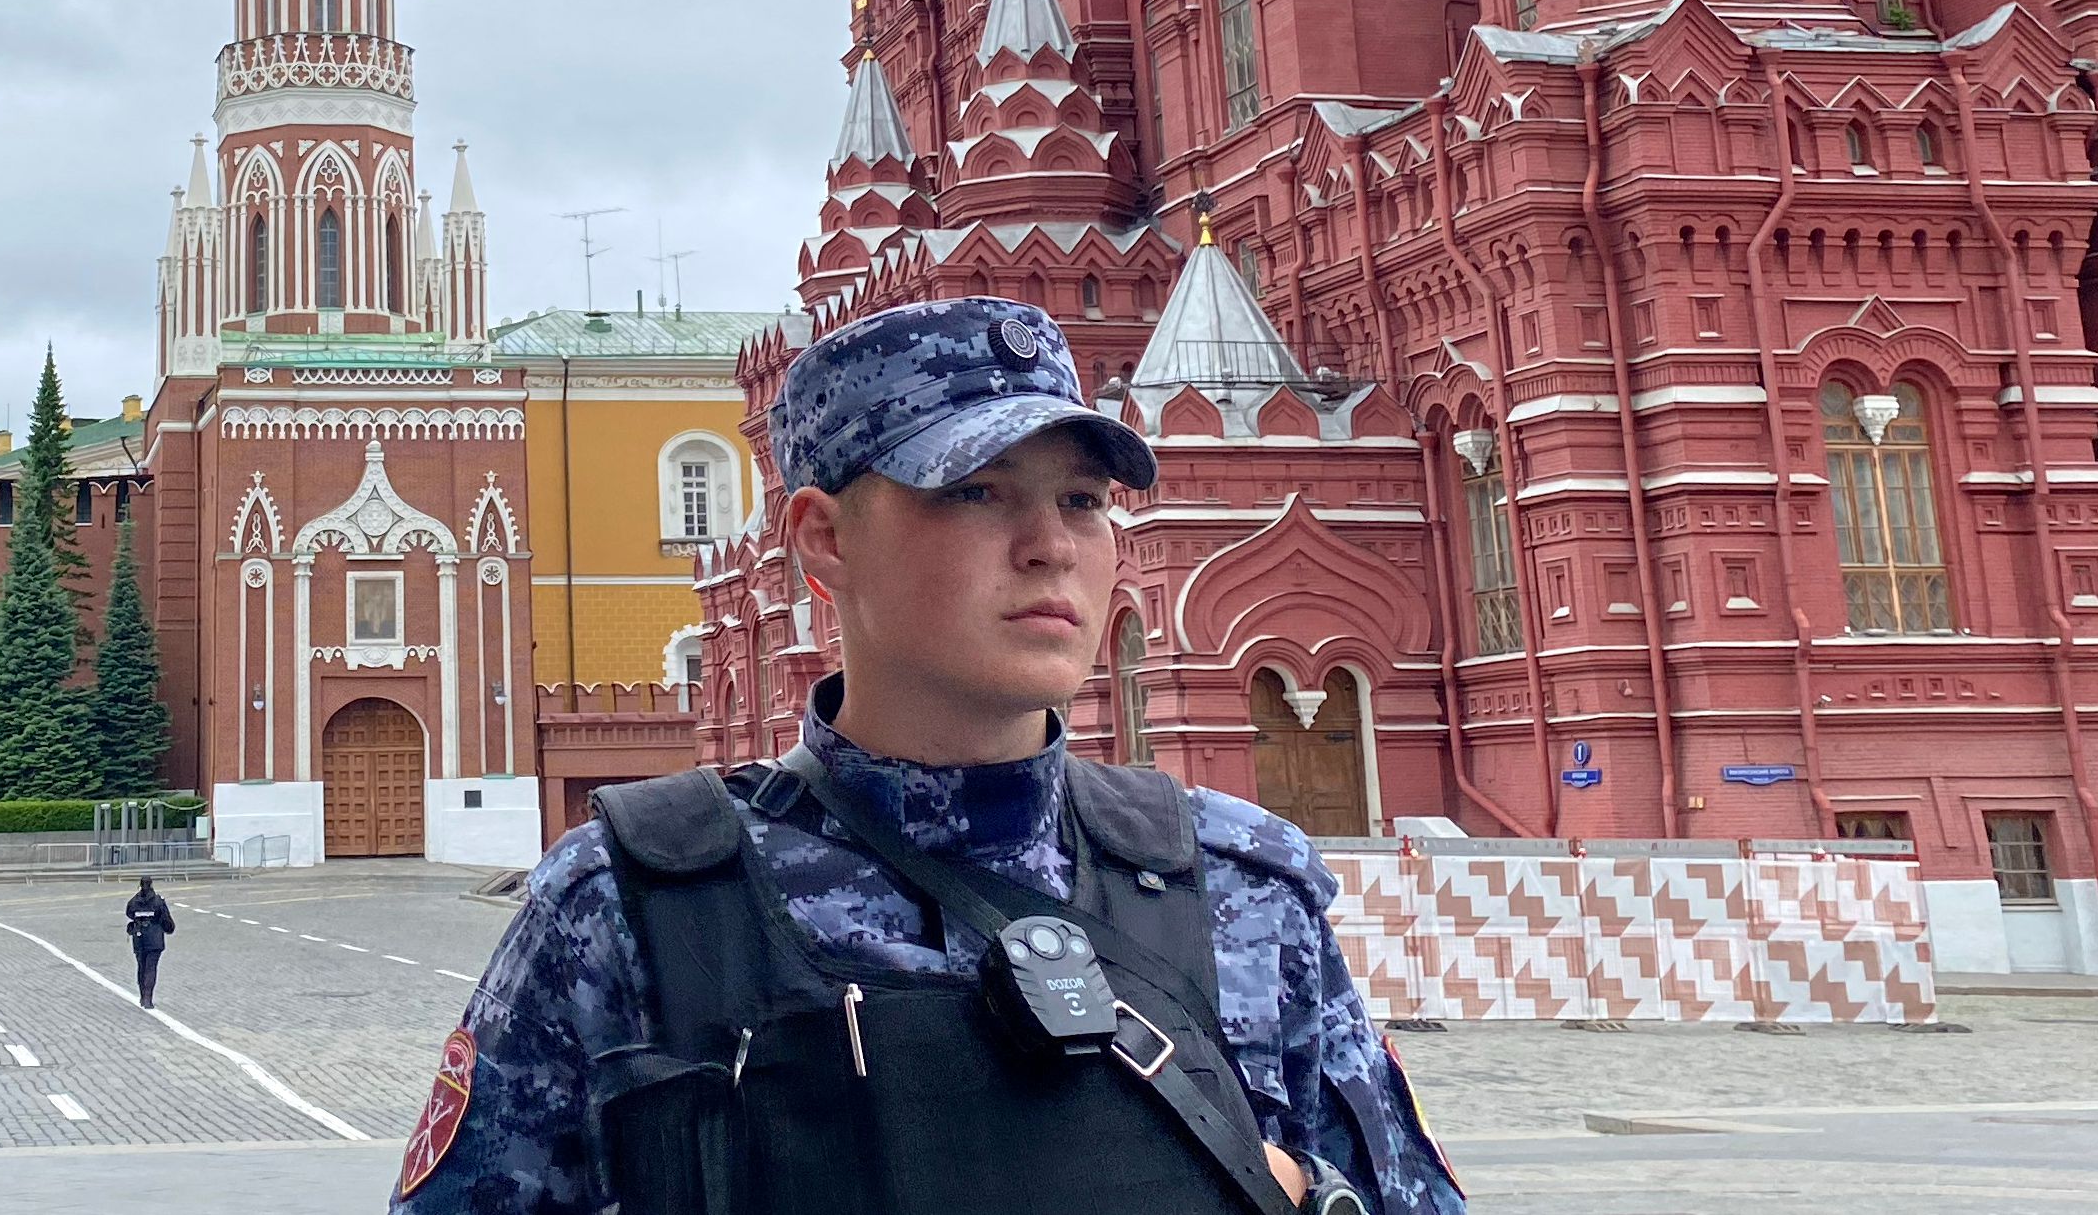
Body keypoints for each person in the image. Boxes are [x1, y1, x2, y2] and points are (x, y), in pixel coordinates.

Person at [393, 295, 1463, 1215]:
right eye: (975, 491)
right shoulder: (634, 903)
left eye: (1081, 500)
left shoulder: (1241, 884)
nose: (1051, 545)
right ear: (822, 539)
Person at [124, 877, 176, 1009]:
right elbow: (166, 919)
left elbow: (129, 913)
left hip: (139, 937)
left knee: (141, 966)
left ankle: (142, 996)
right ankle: (148, 998)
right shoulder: (158, 901)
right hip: (154, 938)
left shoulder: (134, 901)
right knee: (151, 968)